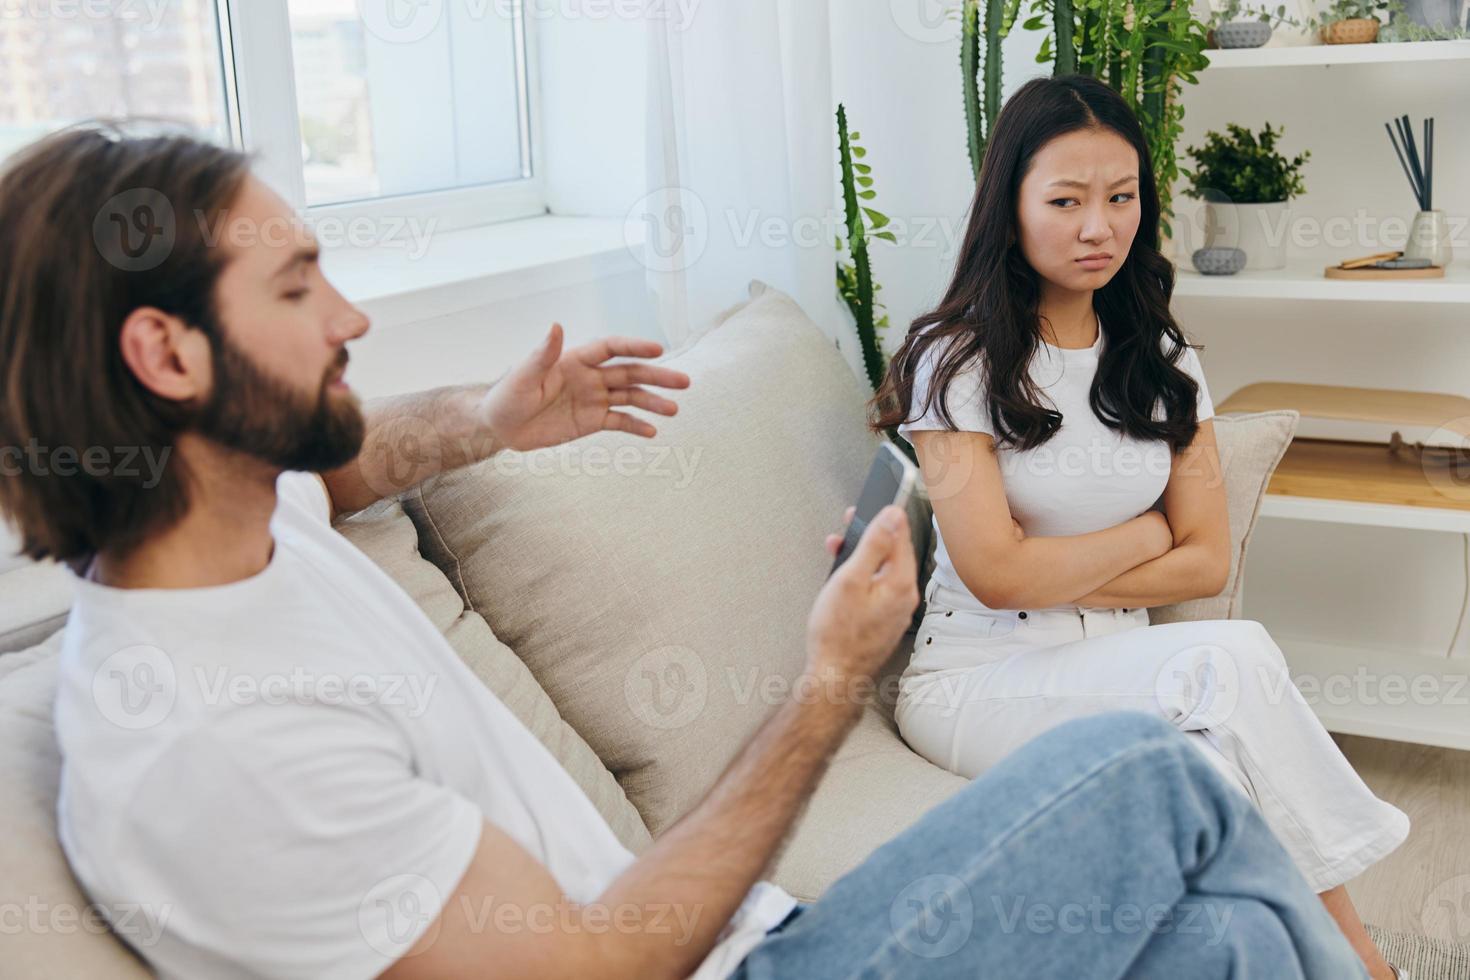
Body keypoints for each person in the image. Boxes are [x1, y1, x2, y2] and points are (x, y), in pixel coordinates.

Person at [0, 125, 1372, 979]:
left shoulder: (234, 510)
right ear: (166, 352)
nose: (350, 314)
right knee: (1138, 767)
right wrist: (833, 673)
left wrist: (483, 420)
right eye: (297, 287)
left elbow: (346, 456)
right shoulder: (204, 750)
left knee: (1232, 942)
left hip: (753, 938)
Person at [871, 74, 1410, 980]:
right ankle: (1363, 962)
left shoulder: (1163, 359)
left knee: (1214, 775)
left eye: (1121, 198)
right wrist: (1144, 537)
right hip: (980, 681)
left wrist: (1072, 560)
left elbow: (1205, 562)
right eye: (1066, 200)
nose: (1099, 227)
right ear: (1010, 206)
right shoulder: (951, 361)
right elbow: (998, 578)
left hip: (1127, 668)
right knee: (1232, 657)